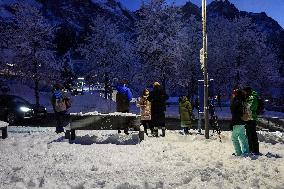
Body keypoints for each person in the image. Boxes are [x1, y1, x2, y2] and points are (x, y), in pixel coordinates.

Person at [230, 89, 249, 156]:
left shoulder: (237, 101)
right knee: (242, 137)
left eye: (234, 93)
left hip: (237, 122)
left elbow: (233, 111)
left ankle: (238, 152)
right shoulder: (243, 101)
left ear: (236, 94)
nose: (233, 94)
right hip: (243, 121)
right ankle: (246, 151)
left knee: (234, 138)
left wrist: (233, 99)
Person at [243, 86, 260, 155]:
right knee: (249, 134)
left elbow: (250, 107)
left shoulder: (252, 97)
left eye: (245, 91)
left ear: (248, 91)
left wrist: (244, 105)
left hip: (251, 118)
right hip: (249, 118)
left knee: (252, 134)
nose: (244, 93)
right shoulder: (250, 97)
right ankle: (252, 149)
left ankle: (255, 150)